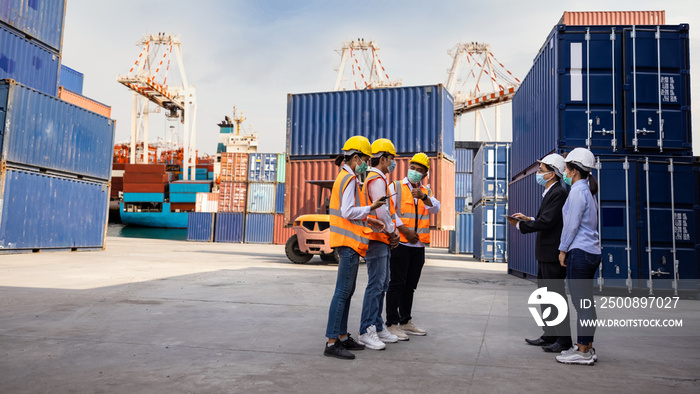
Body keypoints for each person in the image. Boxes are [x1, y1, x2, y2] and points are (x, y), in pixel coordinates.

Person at [324, 135, 387, 360]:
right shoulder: (349, 179)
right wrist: (372, 207)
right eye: (367, 160)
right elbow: (348, 212)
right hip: (348, 244)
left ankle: (341, 336)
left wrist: (370, 219)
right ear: (357, 158)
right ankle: (332, 342)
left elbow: (351, 212)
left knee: (347, 292)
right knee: (342, 293)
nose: (367, 165)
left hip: (348, 244)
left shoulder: (345, 177)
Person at [507, 154, 572, 353]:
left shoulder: (558, 193)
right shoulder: (551, 192)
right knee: (546, 296)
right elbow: (547, 219)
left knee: (555, 297)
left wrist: (521, 225)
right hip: (545, 254)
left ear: (552, 174)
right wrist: (529, 218)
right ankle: (550, 334)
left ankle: (563, 340)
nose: (538, 173)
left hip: (553, 254)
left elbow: (548, 223)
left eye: (541, 170)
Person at [384, 153, 440, 340]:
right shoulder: (396, 186)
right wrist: (404, 230)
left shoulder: (426, 191)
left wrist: (423, 197)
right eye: (413, 168)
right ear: (408, 168)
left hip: (418, 246)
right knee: (397, 284)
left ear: (424, 174)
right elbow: (389, 211)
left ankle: (405, 321)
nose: (415, 172)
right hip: (401, 243)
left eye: (419, 170)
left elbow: (435, 208)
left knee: (410, 286)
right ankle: (391, 323)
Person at [554, 147, 601, 366]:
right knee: (586, 303)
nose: (563, 171)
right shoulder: (588, 192)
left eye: (566, 167)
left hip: (580, 253)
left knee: (582, 304)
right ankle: (586, 347)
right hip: (592, 252)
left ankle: (582, 351)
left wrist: (563, 250)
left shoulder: (576, 192)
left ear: (573, 171)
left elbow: (571, 226)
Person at [358, 138, 401, 350]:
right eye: (392, 159)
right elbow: (382, 210)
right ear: (383, 159)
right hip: (376, 238)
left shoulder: (378, 178)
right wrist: (393, 231)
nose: (393, 164)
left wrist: (391, 232)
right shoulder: (377, 178)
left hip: (382, 237)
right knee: (376, 285)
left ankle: (377, 324)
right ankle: (367, 330)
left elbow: (386, 211)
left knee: (382, 284)